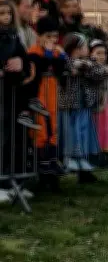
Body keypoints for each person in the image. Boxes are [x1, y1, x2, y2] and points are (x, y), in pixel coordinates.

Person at [58, 32, 107, 183]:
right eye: (85, 46)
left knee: (84, 132)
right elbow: (68, 67)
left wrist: (83, 66)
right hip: (69, 106)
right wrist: (79, 67)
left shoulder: (89, 62)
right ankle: (71, 157)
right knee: (71, 132)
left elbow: (99, 72)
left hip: (84, 105)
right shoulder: (65, 62)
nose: (87, 49)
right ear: (77, 49)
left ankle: (82, 158)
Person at [27, 16, 66, 190]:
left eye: (54, 37)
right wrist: (50, 55)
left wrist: (57, 55)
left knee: (53, 131)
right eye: (48, 37)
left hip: (53, 99)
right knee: (40, 132)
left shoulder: (57, 52)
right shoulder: (34, 51)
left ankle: (52, 170)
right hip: (39, 99)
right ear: (40, 36)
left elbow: (62, 65)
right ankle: (42, 173)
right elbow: (41, 65)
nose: (52, 41)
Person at [0, 0, 33, 204]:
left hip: (12, 94)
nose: (6, 18)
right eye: (1, 14)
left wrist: (22, 63)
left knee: (14, 138)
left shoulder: (14, 36)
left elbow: (26, 61)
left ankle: (15, 181)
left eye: (8, 14)